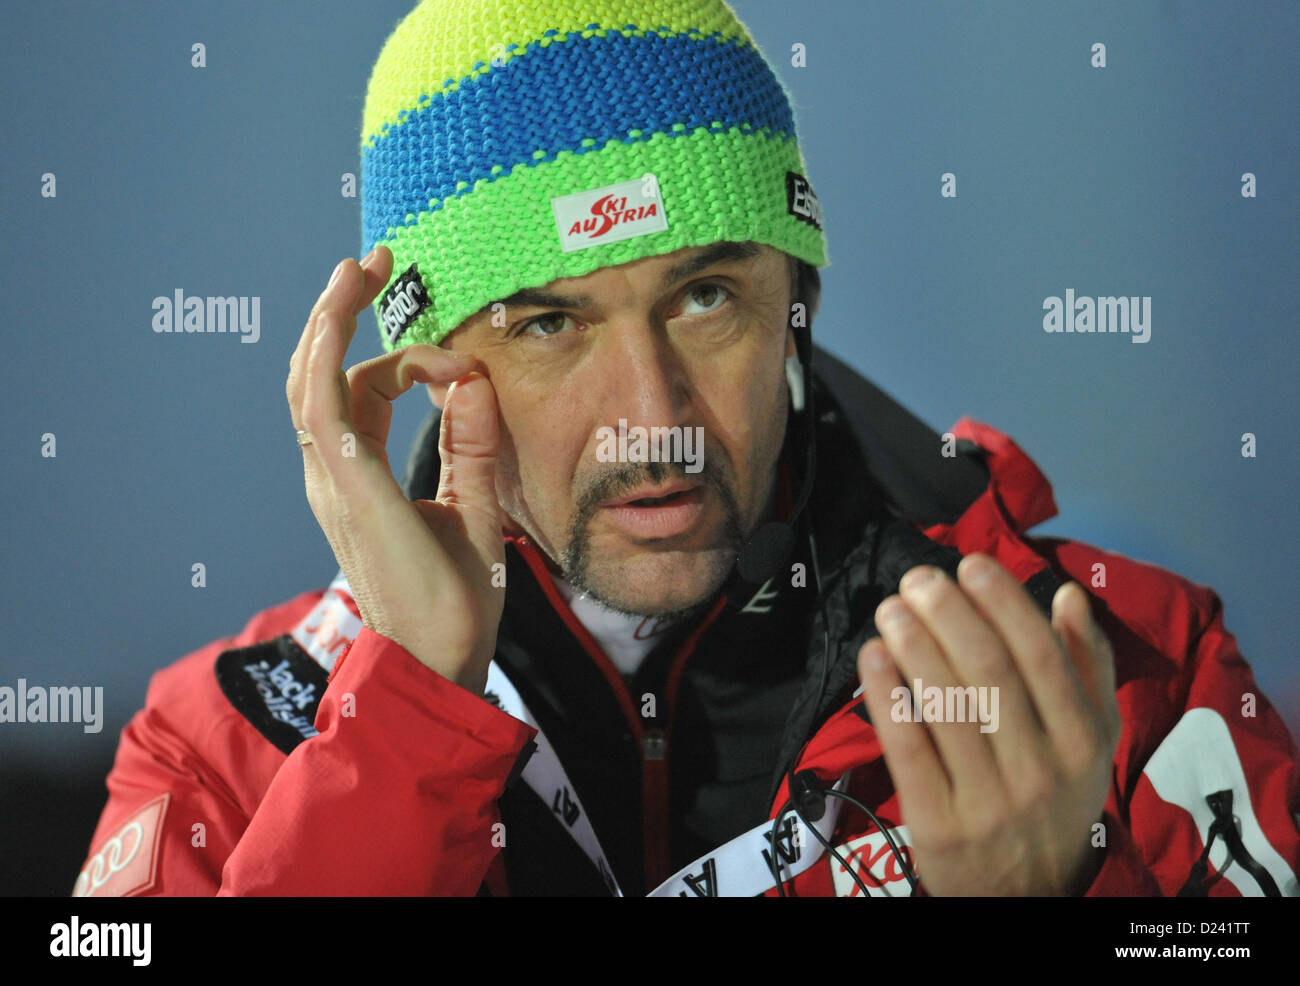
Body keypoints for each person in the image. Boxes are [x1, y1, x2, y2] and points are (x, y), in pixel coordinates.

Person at [75, 0, 1298, 897]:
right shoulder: (225, 749)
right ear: (430, 367)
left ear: (796, 299)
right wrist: (406, 711)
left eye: (704, 296)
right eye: (550, 321)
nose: (648, 408)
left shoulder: (1126, 669)